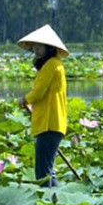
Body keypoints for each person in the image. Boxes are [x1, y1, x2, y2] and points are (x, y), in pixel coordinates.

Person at [17, 24, 69, 187]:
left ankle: (47, 203)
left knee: (43, 172)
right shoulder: (56, 64)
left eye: (41, 46)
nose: (37, 49)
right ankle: (55, 202)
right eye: (35, 46)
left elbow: (38, 92)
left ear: (50, 47)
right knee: (48, 170)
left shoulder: (51, 65)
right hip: (53, 123)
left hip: (49, 123)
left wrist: (24, 99)